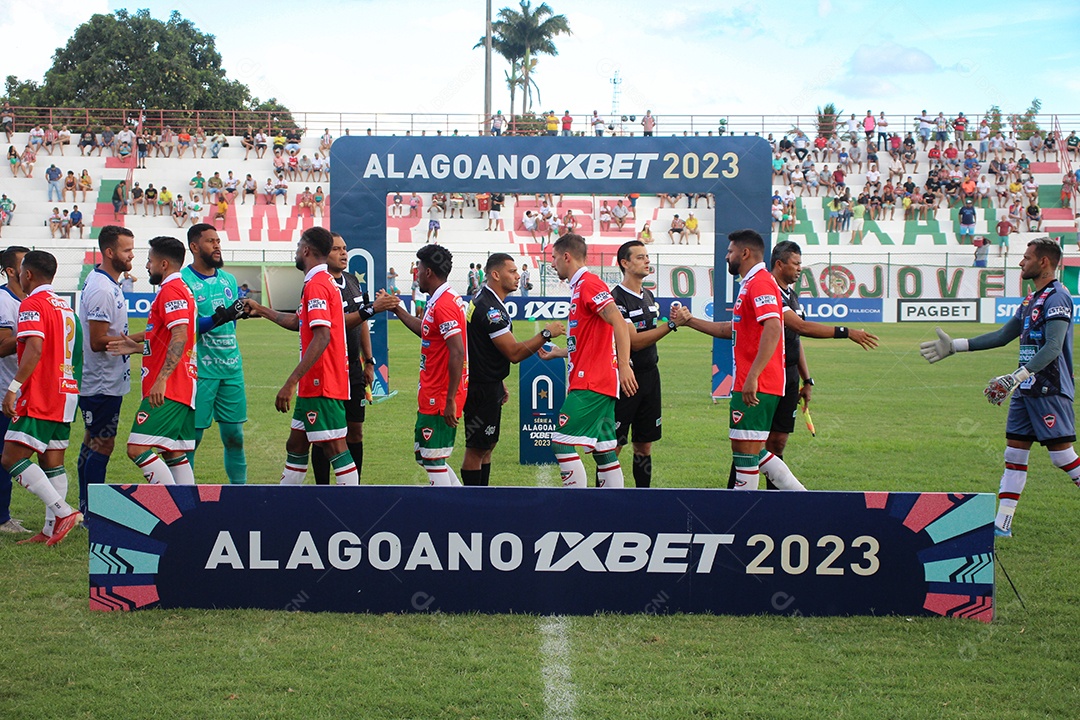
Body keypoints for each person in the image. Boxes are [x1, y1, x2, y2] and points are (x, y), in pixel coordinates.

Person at [920, 238, 1080, 537]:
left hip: (1049, 388)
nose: (1021, 262)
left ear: (1044, 262)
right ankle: (1001, 525)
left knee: (1062, 457)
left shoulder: (1058, 297)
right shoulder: (1031, 300)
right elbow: (1003, 335)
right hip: (1025, 389)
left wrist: (1014, 378)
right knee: (1015, 456)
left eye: (1027, 257)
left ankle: (1002, 524)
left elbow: (1054, 347)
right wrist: (955, 346)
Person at [246, 233, 398, 485]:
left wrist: (291, 381)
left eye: (298, 247)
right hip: (316, 383)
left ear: (306, 250)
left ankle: (351, 507)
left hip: (321, 382)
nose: (296, 252)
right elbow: (299, 321)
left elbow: (323, 336)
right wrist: (261, 310)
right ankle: (286, 505)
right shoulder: (323, 282)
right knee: (296, 443)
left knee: (335, 447)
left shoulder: (317, 284)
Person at [689, 230, 807, 489]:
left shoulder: (760, 282)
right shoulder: (751, 283)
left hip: (757, 382)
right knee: (751, 452)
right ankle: (804, 499)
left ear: (744, 253)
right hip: (754, 380)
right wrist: (689, 321)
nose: (726, 256)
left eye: (730, 251)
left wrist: (752, 376)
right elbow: (732, 329)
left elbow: (774, 328)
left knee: (745, 456)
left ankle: (745, 519)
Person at [538, 234, 637, 488]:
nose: (553, 264)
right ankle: (611, 509)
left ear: (567, 257)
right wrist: (560, 352)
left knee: (561, 441)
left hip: (591, 382)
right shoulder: (580, 286)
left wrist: (624, 365)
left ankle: (576, 509)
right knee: (604, 452)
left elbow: (619, 323)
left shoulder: (589, 283)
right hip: (596, 380)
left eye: (554, 258)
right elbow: (589, 340)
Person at [1, 250, 83, 545]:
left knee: (11, 458)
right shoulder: (65, 306)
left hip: (40, 392)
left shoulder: (32, 303)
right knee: (53, 462)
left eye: (22, 271)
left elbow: (34, 349)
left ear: (29, 274)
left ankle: (62, 512)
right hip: (65, 391)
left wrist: (13, 388)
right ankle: (50, 529)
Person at [462, 254, 564, 486]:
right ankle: (472, 504)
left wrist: (498, 379)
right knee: (476, 449)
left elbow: (482, 347)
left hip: (489, 383)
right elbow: (514, 353)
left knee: (487, 445)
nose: (518, 276)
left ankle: (482, 498)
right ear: (496, 275)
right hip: (481, 388)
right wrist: (546, 333)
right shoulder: (490, 309)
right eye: (512, 271)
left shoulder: (486, 300)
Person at [106, 237, 199, 486]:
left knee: (137, 448)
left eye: (150, 261)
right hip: (182, 386)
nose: (147, 266)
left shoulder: (171, 290)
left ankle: (172, 512)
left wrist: (161, 380)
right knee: (174, 453)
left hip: (170, 388)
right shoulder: (179, 289)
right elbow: (168, 338)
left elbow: (180, 335)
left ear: (164, 264)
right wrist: (138, 347)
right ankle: (189, 517)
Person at [389, 244, 469, 486]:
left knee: (433, 460)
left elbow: (457, 352)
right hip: (432, 393)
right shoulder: (439, 300)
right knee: (427, 458)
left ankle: (446, 517)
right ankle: (458, 503)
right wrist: (397, 309)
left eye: (419, 268)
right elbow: (426, 332)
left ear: (428, 272)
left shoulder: (444, 304)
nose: (416, 274)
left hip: (440, 395)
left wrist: (449, 398)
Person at [610, 241, 687, 487]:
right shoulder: (616, 299)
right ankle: (605, 498)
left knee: (644, 443)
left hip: (650, 377)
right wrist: (672, 325)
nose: (647, 261)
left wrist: (670, 322)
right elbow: (633, 342)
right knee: (615, 443)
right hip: (626, 377)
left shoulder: (648, 295)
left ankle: (642, 497)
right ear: (624, 263)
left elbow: (649, 334)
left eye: (647, 256)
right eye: (640, 257)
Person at [178, 224, 250, 484]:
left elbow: (232, 324)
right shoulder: (183, 281)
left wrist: (228, 318)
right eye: (210, 241)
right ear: (194, 247)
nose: (217, 246)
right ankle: (186, 498)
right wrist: (219, 319)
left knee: (235, 436)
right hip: (200, 371)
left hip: (231, 369)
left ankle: (240, 495)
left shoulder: (228, 279)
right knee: (191, 439)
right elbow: (186, 329)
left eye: (218, 240)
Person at [77, 227, 135, 516]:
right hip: (101, 383)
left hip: (107, 381)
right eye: (127, 250)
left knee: (92, 441)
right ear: (110, 252)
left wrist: (138, 339)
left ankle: (86, 507)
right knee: (102, 443)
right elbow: (98, 341)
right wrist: (138, 342)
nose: (132, 255)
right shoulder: (101, 289)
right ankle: (93, 513)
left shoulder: (107, 282)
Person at [0, 246, 31, 534]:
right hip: (4, 393)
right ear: (12, 271)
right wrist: (31, 331)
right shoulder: (3, 300)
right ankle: (2, 518)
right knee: (4, 456)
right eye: (24, 264)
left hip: (25, 394)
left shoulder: (31, 299)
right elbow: (1, 346)